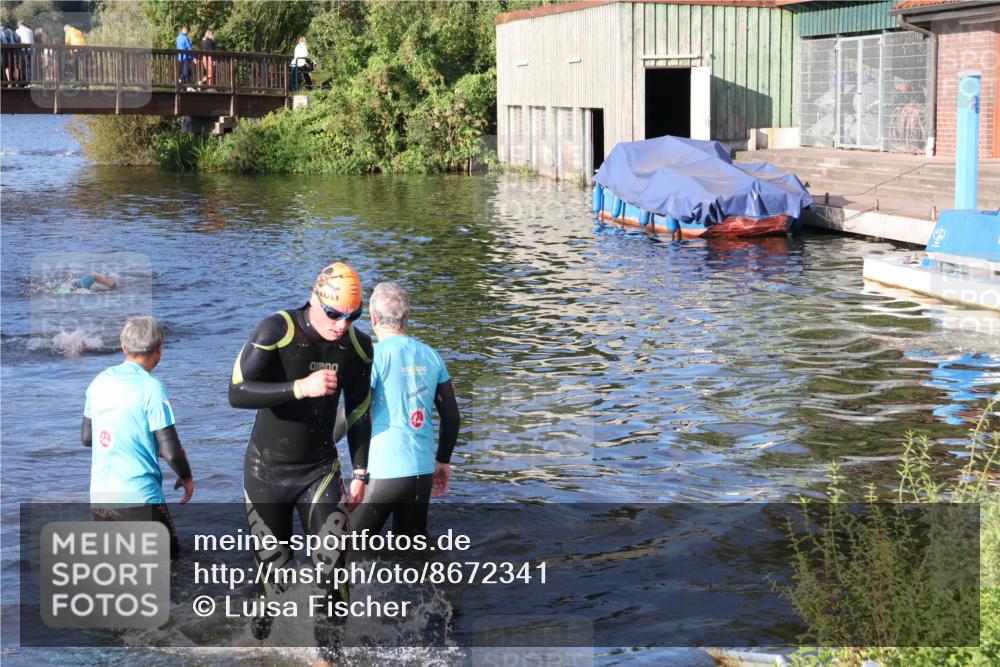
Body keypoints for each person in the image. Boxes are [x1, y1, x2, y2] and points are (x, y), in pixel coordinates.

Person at [228, 262, 373, 660]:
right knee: (274, 577)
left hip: (319, 471)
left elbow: (360, 412)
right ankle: (257, 646)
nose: (342, 325)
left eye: (352, 316)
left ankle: (329, 657)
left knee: (333, 568)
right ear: (315, 301)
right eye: (334, 314)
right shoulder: (276, 330)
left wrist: (361, 471)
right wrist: (298, 388)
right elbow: (237, 392)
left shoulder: (358, 347)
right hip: (266, 472)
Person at [350, 282, 460, 538]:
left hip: (382, 472)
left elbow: (354, 413)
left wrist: (322, 445)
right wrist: (443, 461)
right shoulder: (432, 356)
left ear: (373, 317)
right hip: (421, 473)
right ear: (406, 317)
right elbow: (452, 417)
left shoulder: (372, 357)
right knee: (410, 552)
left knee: (347, 548)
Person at [82, 316, 194, 561]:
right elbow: (171, 449)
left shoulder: (98, 382)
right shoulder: (152, 387)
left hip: (101, 501)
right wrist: (186, 478)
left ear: (124, 348)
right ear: (159, 348)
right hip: (140, 498)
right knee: (170, 567)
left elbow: (87, 438)